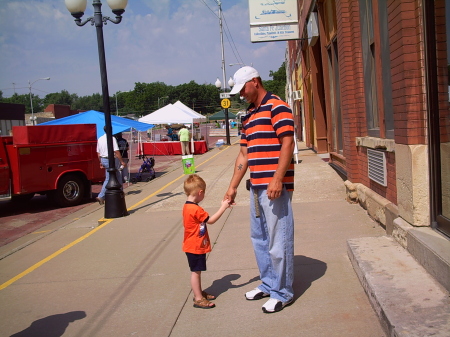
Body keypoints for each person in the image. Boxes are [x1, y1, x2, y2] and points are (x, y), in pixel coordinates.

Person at [224, 66, 295, 314]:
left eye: (243, 88)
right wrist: (232, 186)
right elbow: (244, 153)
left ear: (255, 81)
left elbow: (288, 142)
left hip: (274, 186)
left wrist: (278, 178)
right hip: (256, 187)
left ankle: (282, 292)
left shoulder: (277, 106)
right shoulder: (249, 115)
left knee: (278, 240)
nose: (241, 94)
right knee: (260, 239)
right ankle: (268, 283)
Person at [183, 174, 230, 309]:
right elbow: (211, 220)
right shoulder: (196, 209)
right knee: (196, 272)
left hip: (191, 244)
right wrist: (223, 207)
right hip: (195, 246)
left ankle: (199, 292)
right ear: (200, 192)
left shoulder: (187, 207)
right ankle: (198, 298)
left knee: (197, 271)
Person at [96, 129, 127, 205]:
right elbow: (116, 151)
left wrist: (100, 162)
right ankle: (119, 191)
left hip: (103, 159)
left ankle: (102, 196)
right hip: (111, 159)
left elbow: (98, 152)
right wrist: (122, 161)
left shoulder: (100, 139)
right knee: (118, 174)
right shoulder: (112, 138)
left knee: (108, 176)